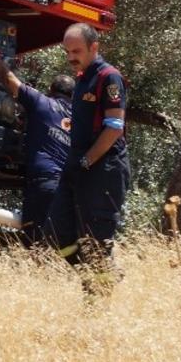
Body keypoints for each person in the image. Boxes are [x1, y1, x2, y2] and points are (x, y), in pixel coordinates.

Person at [44, 22, 131, 295]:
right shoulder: (82, 79)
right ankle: (100, 275)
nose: (71, 57)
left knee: (96, 242)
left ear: (94, 47)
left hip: (103, 169)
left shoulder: (109, 77)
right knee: (56, 232)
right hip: (78, 167)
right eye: (67, 52)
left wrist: (87, 161)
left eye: (76, 51)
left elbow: (114, 128)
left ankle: (96, 298)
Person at [0, 31, 74, 243]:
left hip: (43, 182)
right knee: (54, 241)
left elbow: (8, 78)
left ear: (50, 90)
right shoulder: (77, 120)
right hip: (65, 188)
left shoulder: (42, 103)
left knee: (33, 240)